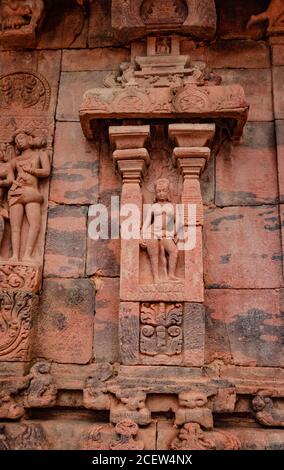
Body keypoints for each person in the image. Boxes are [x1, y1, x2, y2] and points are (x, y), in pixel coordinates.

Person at [6, 130, 51, 262]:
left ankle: (27, 254)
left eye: (21, 138)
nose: (19, 141)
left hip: (32, 192)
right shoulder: (15, 161)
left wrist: (31, 170)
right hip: (16, 193)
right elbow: (8, 177)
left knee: (35, 224)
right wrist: (14, 181)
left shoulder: (40, 154)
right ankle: (14, 255)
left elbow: (46, 171)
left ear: (30, 139)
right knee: (15, 227)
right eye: (16, 141)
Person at [141, 178, 179, 283]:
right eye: (159, 191)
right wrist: (141, 236)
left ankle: (171, 274)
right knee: (154, 255)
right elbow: (147, 222)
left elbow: (179, 222)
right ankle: (156, 278)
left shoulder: (173, 206)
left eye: (164, 191)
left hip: (165, 233)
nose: (161, 193)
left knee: (174, 251)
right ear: (156, 193)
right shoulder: (154, 207)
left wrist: (172, 233)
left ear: (168, 192)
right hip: (151, 232)